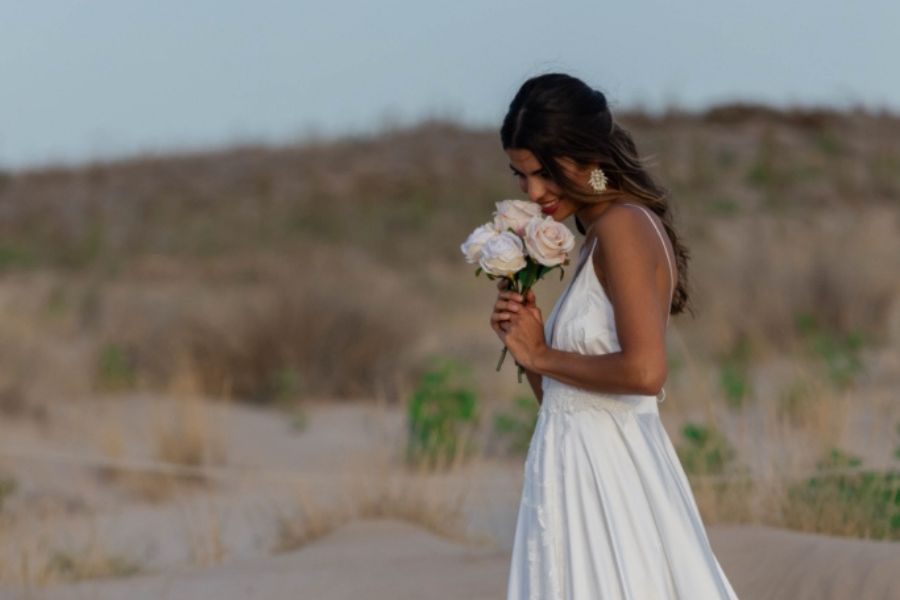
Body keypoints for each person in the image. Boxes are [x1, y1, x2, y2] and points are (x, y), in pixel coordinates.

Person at [492, 73, 741, 599]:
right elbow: (564, 401)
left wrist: (542, 351)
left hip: (611, 484)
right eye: (520, 176)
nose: (533, 193)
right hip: (572, 475)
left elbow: (646, 373)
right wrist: (526, 348)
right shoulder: (596, 235)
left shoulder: (624, 226)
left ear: (584, 155)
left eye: (542, 172)